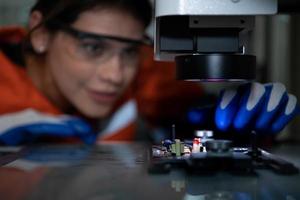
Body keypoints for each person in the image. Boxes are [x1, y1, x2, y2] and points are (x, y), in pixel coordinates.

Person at [0, 0, 298, 145]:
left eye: (129, 50)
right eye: (92, 47)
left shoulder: (145, 74)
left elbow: (199, 111)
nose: (116, 76)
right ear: (40, 34)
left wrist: (228, 122)